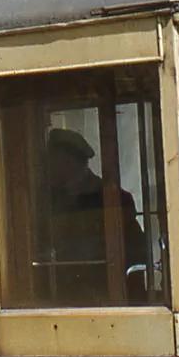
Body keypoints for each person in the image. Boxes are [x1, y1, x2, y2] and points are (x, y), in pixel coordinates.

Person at [45, 126, 147, 303]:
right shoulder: (50, 198)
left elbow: (136, 252)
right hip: (64, 295)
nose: (49, 167)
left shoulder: (112, 198)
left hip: (108, 296)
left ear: (70, 161)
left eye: (54, 160)